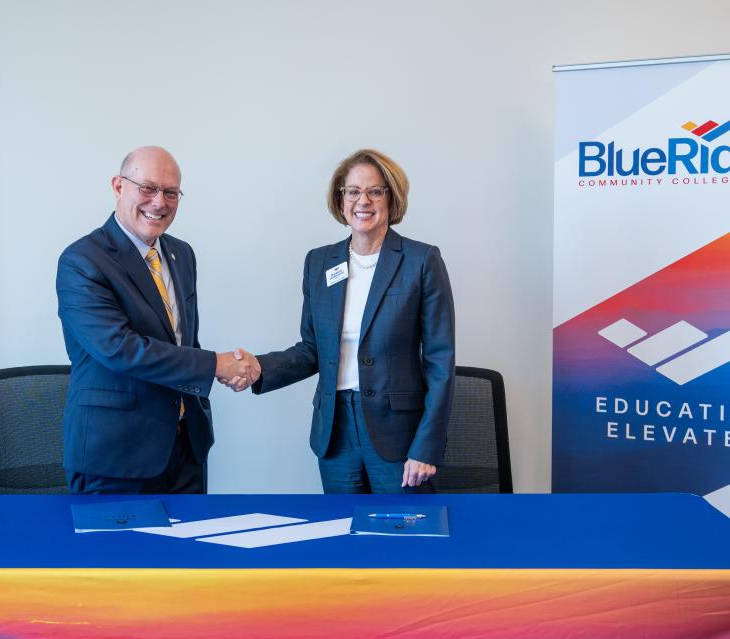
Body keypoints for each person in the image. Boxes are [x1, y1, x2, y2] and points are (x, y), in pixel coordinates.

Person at [227, 149, 455, 494]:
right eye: (352, 191)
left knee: (402, 537)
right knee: (342, 532)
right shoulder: (319, 262)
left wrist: (427, 445)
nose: (362, 201)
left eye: (375, 191)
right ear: (341, 198)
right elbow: (312, 349)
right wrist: (260, 368)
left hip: (399, 433)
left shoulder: (421, 260)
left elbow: (440, 361)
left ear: (392, 198)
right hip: (335, 430)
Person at [56, 145, 254, 494]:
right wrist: (215, 366)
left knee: (189, 549)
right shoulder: (82, 260)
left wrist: (228, 370)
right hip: (115, 456)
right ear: (118, 186)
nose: (159, 202)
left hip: (185, 447)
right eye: (147, 188)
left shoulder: (181, 254)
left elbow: (181, 341)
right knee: (117, 551)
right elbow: (120, 349)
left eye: (171, 192)